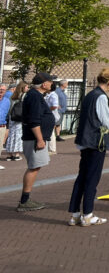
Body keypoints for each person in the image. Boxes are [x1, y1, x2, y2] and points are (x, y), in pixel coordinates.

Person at [67, 68, 109, 226]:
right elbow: (105, 119)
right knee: (92, 178)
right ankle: (88, 215)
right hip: (96, 141)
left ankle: (75, 214)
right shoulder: (101, 97)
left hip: (84, 140)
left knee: (82, 177)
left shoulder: (89, 95)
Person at [17, 72, 56, 212]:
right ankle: (24, 201)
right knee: (34, 167)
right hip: (34, 139)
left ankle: (25, 200)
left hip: (35, 138)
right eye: (50, 81)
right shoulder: (35, 96)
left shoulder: (35, 95)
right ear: (44, 84)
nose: (52, 84)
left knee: (35, 167)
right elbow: (34, 120)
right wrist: (39, 139)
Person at [5, 81, 29, 161]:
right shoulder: (24, 96)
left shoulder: (13, 96)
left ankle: (10, 154)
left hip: (12, 116)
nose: (27, 88)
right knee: (18, 135)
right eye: (26, 87)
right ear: (23, 87)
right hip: (19, 117)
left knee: (11, 135)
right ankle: (16, 154)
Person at [45, 85, 60, 154]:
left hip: (51, 115)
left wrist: (46, 109)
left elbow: (54, 106)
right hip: (48, 115)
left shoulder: (53, 95)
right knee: (49, 131)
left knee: (51, 131)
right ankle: (49, 148)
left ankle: (52, 149)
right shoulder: (48, 94)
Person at [0, 83, 9, 160]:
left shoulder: (7, 101)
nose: (1, 91)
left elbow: (7, 113)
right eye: (0, 89)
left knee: (0, 145)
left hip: (2, 126)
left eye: (3, 90)